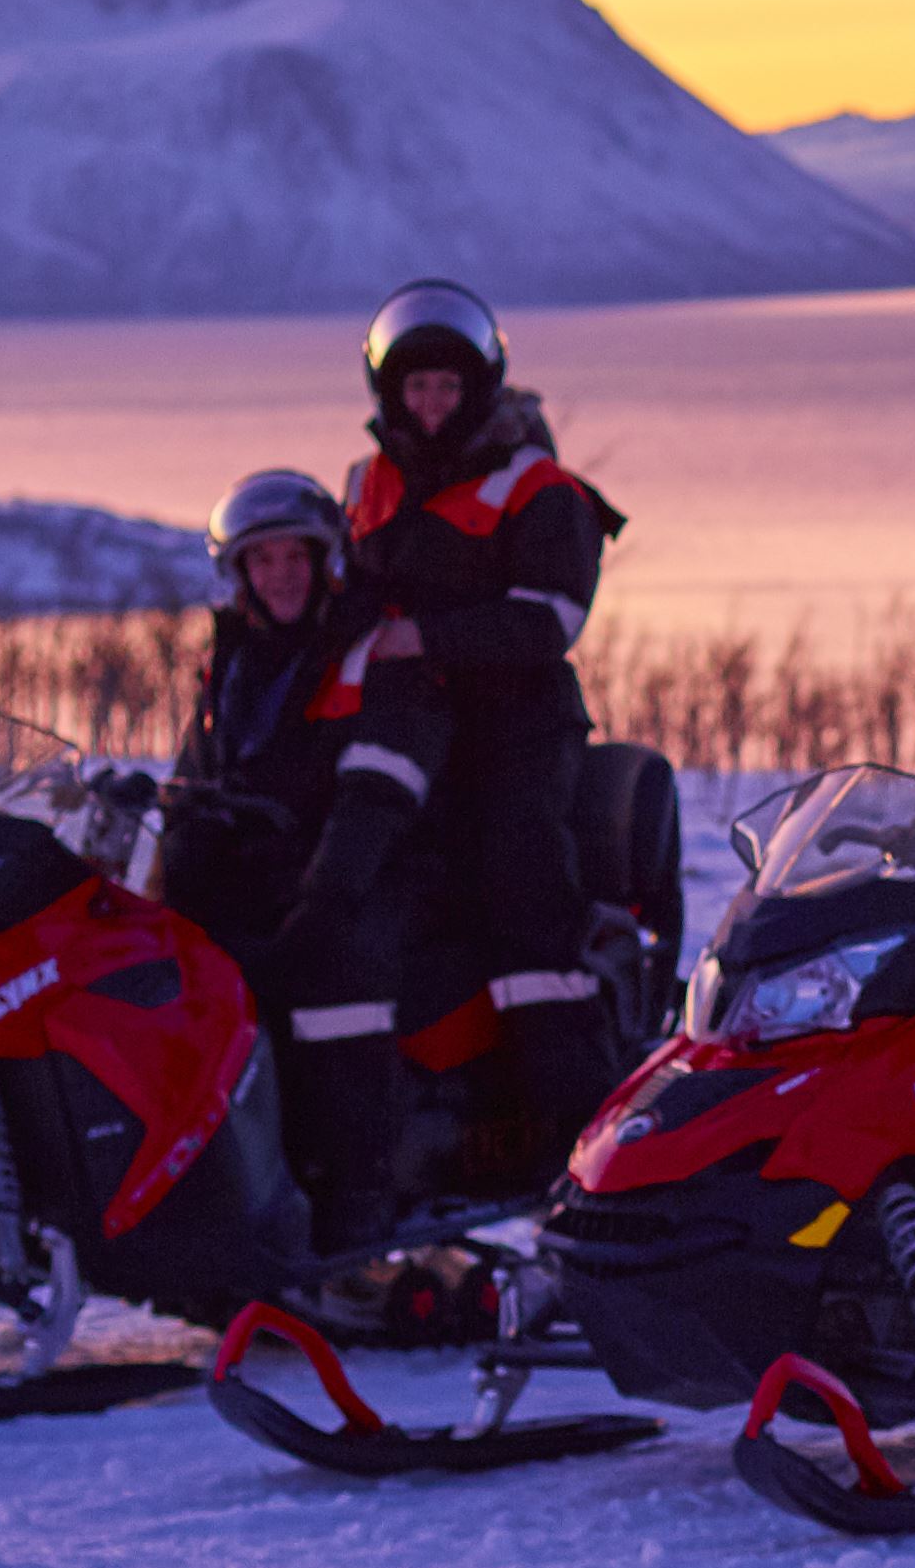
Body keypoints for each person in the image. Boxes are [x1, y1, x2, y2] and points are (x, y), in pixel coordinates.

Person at [273, 280, 626, 1241]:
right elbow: (341, 586)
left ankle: (581, 1143)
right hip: (395, 723)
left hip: (514, 730)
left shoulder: (540, 489)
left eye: (445, 386)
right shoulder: (365, 479)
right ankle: (399, 1116)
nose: (430, 403)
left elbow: (549, 620)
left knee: (518, 892)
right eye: (415, 386)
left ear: (480, 388)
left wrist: (423, 636)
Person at [159, 466, 368, 974]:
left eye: (297, 556)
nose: (282, 575)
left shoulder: (354, 650)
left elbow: (359, 785)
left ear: (323, 563)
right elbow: (197, 771)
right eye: (264, 559)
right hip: (239, 872)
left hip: (322, 872)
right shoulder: (231, 663)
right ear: (241, 573)